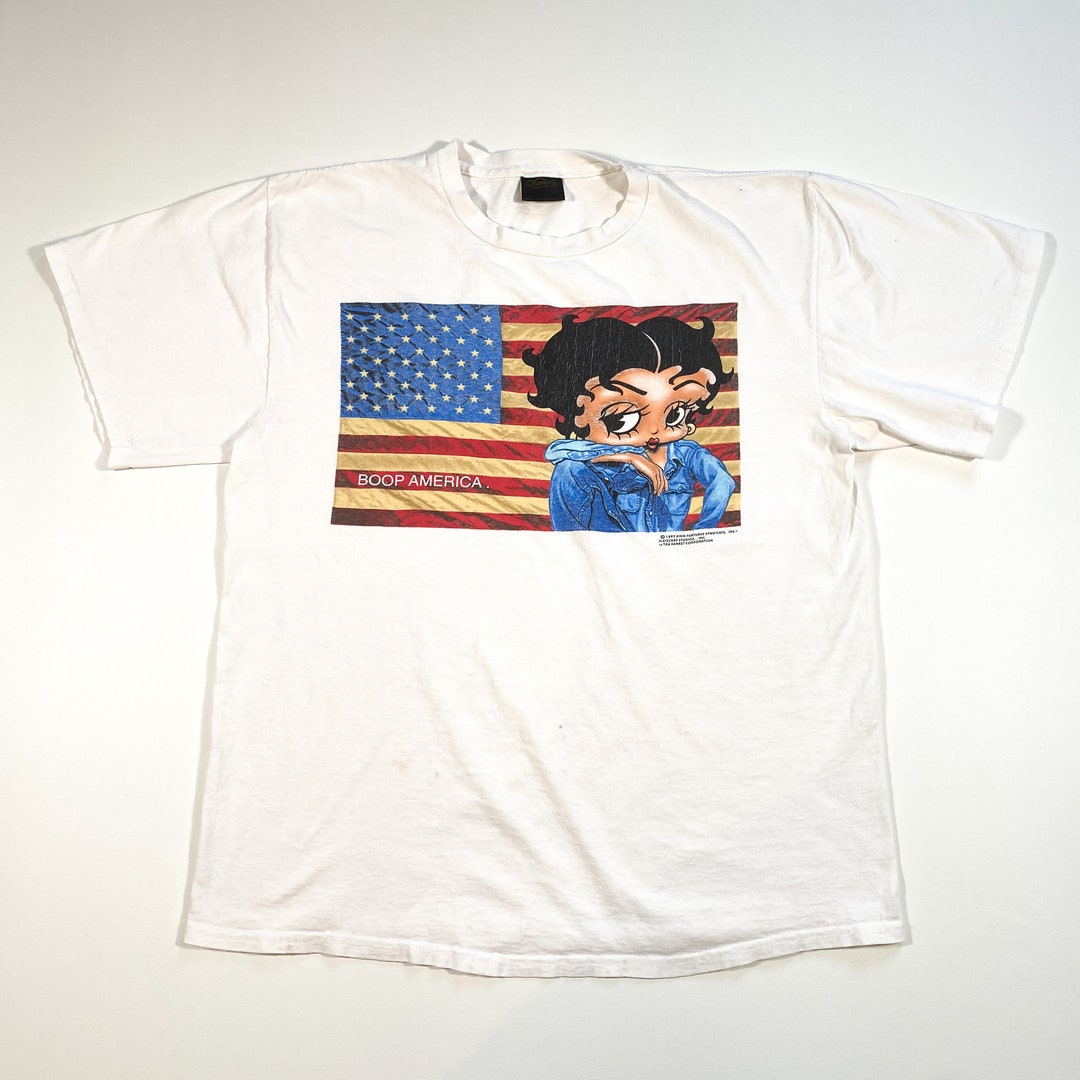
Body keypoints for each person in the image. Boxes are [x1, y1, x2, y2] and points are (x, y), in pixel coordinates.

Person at [524, 313, 736, 532]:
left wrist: (703, 530)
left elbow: (723, 481)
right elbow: (558, 452)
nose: (653, 430)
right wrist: (629, 457)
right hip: (611, 544)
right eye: (621, 419)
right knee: (568, 469)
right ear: (577, 415)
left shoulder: (687, 455)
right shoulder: (604, 455)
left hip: (665, 547)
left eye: (675, 414)